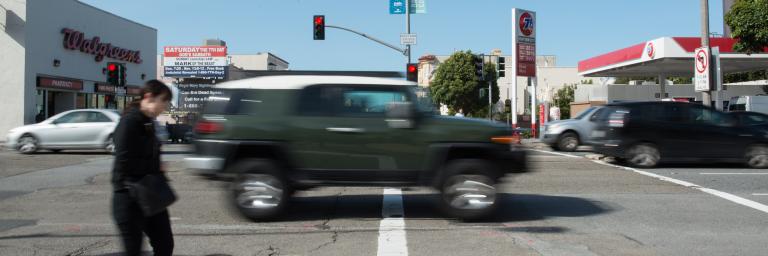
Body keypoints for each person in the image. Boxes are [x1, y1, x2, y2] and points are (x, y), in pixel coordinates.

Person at [111, 80, 174, 256]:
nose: (166, 106)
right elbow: (124, 163)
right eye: (164, 101)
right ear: (148, 97)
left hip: (149, 193)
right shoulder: (129, 123)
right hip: (129, 197)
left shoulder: (148, 122)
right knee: (134, 250)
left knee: (165, 244)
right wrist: (155, 165)